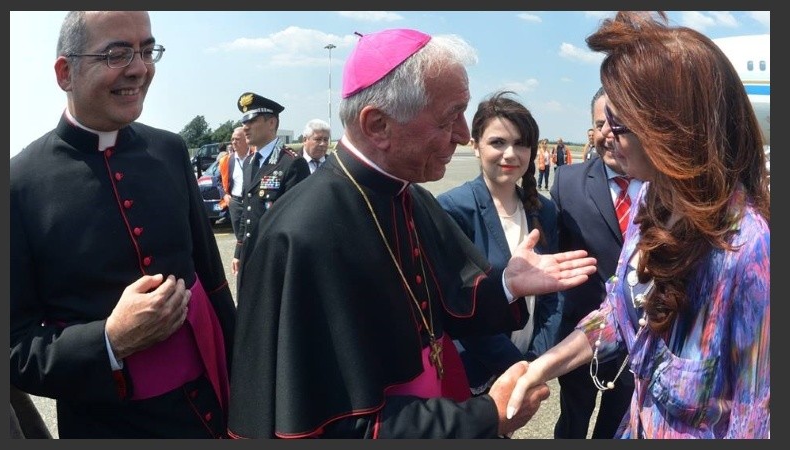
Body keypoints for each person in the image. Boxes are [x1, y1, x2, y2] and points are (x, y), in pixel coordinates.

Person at [226, 28, 597, 439]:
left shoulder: (411, 196)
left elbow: (446, 298)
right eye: (448, 117)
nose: (461, 133)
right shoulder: (301, 235)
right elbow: (336, 424)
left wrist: (507, 282)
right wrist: (488, 415)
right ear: (379, 125)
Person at [508, 11, 770, 439]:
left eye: (620, 122)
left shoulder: (748, 252)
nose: (605, 135)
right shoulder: (652, 200)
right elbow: (623, 312)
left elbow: (754, 419)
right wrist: (542, 366)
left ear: (674, 130)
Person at [10, 11, 236, 438]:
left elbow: (215, 281)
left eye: (147, 50)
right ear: (65, 72)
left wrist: (249, 388)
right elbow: (13, 348)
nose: (139, 68)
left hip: (211, 408)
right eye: (117, 53)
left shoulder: (169, 149)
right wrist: (109, 341)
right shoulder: (17, 185)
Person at [436, 91, 561, 396]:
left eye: (521, 143)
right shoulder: (453, 209)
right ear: (475, 145)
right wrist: (516, 367)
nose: (510, 154)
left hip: (529, 364)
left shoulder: (543, 211)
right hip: (474, 373)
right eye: (497, 142)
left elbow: (555, 296)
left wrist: (536, 362)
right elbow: (457, 307)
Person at [549, 86, 642, 439]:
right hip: (581, 332)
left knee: (616, 423)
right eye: (600, 123)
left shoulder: (659, 185)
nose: (607, 133)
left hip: (636, 340)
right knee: (572, 420)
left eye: (617, 123)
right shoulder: (567, 182)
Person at [231, 92, 310, 281]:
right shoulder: (250, 161)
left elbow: (297, 221)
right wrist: (239, 250)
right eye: (244, 122)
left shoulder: (290, 163)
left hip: (276, 258)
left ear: (272, 123)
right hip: (251, 253)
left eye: (251, 121)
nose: (245, 128)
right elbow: (246, 211)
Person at [218, 126, 252, 237]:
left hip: (252, 201)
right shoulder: (226, 160)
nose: (233, 142)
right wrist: (225, 196)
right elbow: (218, 181)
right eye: (232, 139)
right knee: (239, 236)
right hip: (235, 203)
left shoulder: (255, 157)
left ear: (246, 139)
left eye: (237, 139)